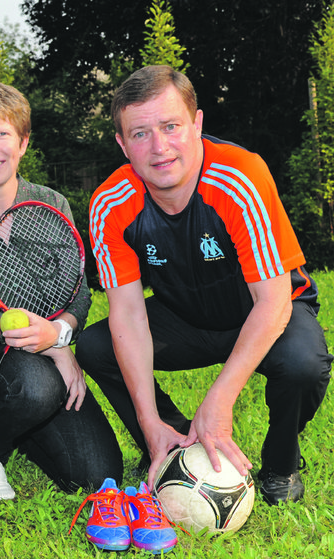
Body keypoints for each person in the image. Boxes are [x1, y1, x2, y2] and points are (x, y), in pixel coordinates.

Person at [76, 65, 332, 506]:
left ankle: (280, 462)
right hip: (186, 318)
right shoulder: (109, 204)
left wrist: (218, 401)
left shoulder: (239, 177)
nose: (159, 147)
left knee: (305, 364)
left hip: (265, 311)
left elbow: (272, 302)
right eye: (140, 134)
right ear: (122, 144)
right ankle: (171, 442)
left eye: (171, 126)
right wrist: (148, 418)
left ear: (196, 123)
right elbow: (129, 314)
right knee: (98, 346)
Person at [0, 81, 123, 501]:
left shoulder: (52, 202)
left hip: (43, 348)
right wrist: (55, 348)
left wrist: (61, 331)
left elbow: (77, 293)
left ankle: (17, 423)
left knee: (97, 474)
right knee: (37, 387)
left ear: (23, 142)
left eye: (2, 135)